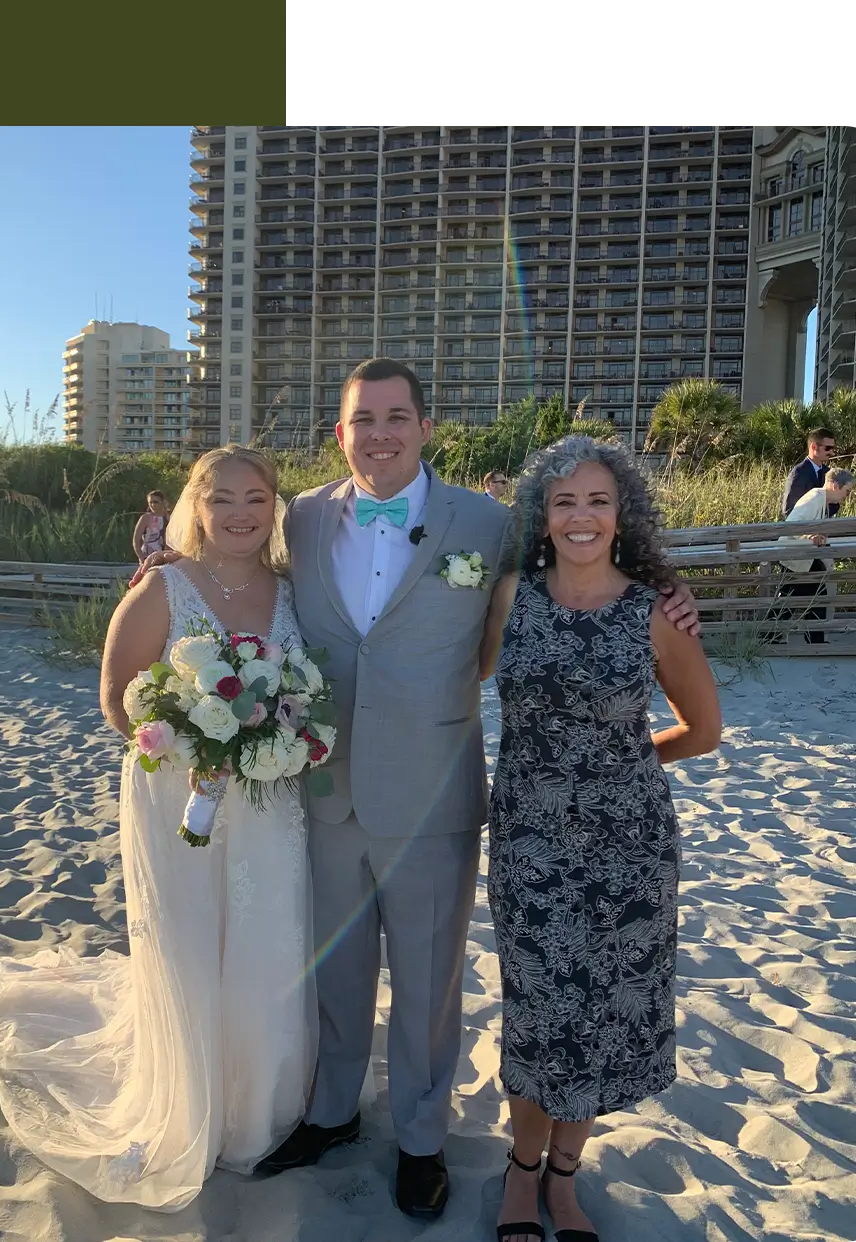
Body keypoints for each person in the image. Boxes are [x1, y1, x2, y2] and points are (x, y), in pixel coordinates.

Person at [140, 358, 700, 1220]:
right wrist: (164, 565)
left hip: (435, 788)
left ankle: (421, 1138)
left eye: (399, 416)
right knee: (336, 968)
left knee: (431, 980)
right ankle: (330, 1113)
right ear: (341, 432)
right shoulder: (304, 518)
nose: (382, 433)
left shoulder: (484, 523)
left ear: (426, 427)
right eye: (364, 419)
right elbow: (238, 557)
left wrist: (671, 588)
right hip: (322, 784)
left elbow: (571, 565)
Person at [0, 446, 316, 1211]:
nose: (240, 513)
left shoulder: (291, 591)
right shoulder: (164, 585)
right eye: (222, 497)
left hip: (271, 799)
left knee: (268, 938)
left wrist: (274, 737)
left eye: (256, 498)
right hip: (178, 796)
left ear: (274, 507)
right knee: (191, 941)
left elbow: (305, 688)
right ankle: (192, 1099)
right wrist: (191, 739)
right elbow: (115, 696)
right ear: (196, 506)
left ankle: (258, 1106)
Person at [478, 435, 721, 1242]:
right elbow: (448, 669)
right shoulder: (512, 595)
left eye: (597, 501)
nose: (581, 517)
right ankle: (521, 1172)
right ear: (541, 518)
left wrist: (621, 763)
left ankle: (566, 1176)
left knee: (608, 1014)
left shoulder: (654, 610)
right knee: (539, 1009)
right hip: (527, 842)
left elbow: (704, 730)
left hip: (630, 851)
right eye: (563, 502)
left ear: (623, 515)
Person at [767, 467, 856, 645]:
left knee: (792, 597)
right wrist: (809, 537)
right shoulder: (815, 497)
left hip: (800, 555)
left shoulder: (822, 500)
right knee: (801, 597)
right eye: (847, 490)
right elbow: (792, 524)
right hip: (795, 554)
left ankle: (772, 636)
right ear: (835, 485)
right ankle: (807, 639)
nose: (848, 495)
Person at [781, 427, 839, 518]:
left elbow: (834, 505)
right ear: (814, 447)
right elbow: (789, 510)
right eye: (828, 448)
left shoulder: (828, 472)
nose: (832, 453)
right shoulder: (799, 473)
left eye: (833, 448)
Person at [132, 490, 170, 561]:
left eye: (155, 502)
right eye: (150, 502)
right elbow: (136, 540)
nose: (152, 505)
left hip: (166, 556)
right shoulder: (145, 518)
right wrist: (141, 557)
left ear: (162, 502)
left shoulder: (169, 517)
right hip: (148, 556)